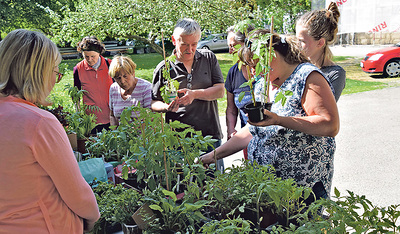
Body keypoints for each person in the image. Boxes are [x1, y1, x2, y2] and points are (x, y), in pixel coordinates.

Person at [200, 30, 340, 202]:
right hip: (266, 185)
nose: (253, 72)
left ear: (270, 55)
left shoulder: (307, 77)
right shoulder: (263, 85)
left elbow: (329, 124)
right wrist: (212, 156)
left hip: (302, 187)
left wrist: (280, 120)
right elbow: (252, 131)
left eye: (255, 64)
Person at [0, 29, 100, 233]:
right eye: (55, 71)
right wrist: (92, 218)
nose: (56, 80)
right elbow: (77, 194)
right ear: (39, 72)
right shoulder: (38, 122)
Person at [151, 18, 225, 171]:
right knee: (184, 184)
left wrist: (194, 94)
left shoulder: (208, 58)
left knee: (215, 184)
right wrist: (166, 107)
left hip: (209, 134)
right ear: (173, 40)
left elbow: (220, 91)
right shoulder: (163, 67)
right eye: (184, 44)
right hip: (179, 140)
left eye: (194, 44)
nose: (190, 49)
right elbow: (153, 102)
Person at [296, 2, 346, 102]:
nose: (297, 44)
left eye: (302, 41)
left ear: (320, 43)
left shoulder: (335, 74)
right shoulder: (296, 65)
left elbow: (321, 113)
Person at [225, 25, 255, 160]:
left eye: (233, 46)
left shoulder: (264, 70)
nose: (230, 51)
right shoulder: (233, 73)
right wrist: (231, 129)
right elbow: (231, 109)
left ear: (247, 44)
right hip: (246, 140)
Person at [73, 36, 114, 133]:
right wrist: (78, 114)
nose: (90, 59)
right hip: (92, 120)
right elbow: (76, 95)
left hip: (112, 116)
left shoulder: (110, 65)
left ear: (99, 54)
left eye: (93, 56)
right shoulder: (78, 69)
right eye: (86, 56)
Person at [108, 55, 152, 126]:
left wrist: (133, 131)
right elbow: (112, 115)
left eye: (125, 76)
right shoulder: (113, 89)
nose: (122, 81)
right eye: (118, 78)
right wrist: (114, 134)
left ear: (133, 73)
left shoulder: (146, 88)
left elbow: (150, 118)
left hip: (143, 135)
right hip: (122, 135)